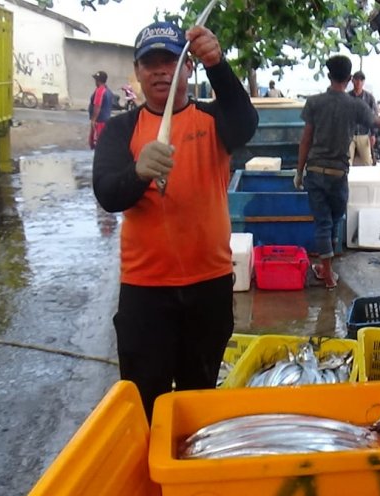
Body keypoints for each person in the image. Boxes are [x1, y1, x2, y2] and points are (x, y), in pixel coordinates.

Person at [92, 20, 258, 421]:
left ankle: (187, 478)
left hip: (209, 288)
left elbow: (246, 123)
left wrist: (218, 64)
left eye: (171, 60)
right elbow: (108, 194)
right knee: (145, 401)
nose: (160, 70)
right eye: (150, 63)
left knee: (196, 400)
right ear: (137, 72)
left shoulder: (214, 121)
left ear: (188, 68)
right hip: (145, 292)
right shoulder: (121, 129)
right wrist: (138, 172)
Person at [294, 56, 380, 289]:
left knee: (323, 224)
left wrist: (299, 171)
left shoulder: (314, 103)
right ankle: (327, 270)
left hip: (316, 171)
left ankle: (326, 274)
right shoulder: (355, 105)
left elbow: (305, 139)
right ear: (348, 79)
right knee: (334, 221)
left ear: (328, 76)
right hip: (339, 174)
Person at [347, 70, 378, 166]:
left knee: (367, 162)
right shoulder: (347, 97)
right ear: (352, 81)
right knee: (347, 161)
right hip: (349, 134)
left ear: (363, 82)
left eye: (361, 80)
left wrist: (373, 134)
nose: (358, 83)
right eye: (356, 80)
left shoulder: (369, 98)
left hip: (364, 134)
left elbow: (374, 117)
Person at [88, 70, 114, 149]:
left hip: (99, 122)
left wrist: (93, 120)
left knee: (98, 145)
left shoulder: (100, 90)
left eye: (96, 80)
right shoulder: (108, 91)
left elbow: (97, 106)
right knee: (104, 144)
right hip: (106, 121)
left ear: (98, 80)